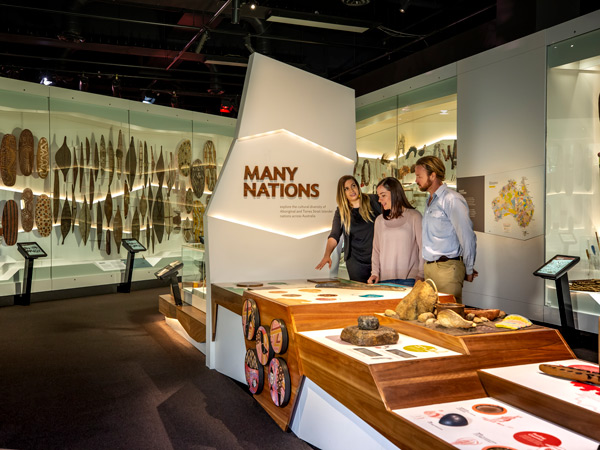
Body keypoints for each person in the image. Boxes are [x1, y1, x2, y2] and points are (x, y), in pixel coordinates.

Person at [414, 155, 477, 302]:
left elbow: (467, 236)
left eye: (419, 176)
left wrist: (468, 268)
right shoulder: (429, 200)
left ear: (433, 175)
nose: (416, 181)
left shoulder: (451, 199)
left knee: (449, 317)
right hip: (430, 269)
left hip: (447, 269)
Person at [316, 175, 381, 283]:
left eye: (353, 186)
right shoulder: (341, 211)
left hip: (378, 259)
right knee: (360, 294)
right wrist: (327, 255)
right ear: (342, 193)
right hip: (355, 262)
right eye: (346, 189)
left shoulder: (373, 200)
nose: (351, 190)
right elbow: (334, 235)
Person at [367, 177, 423, 286]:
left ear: (395, 193)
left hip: (410, 280)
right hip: (383, 280)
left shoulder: (414, 216)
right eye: (379, 196)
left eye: (383, 195)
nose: (379, 200)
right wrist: (374, 273)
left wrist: (421, 273)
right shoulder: (379, 220)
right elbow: (376, 250)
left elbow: (423, 248)